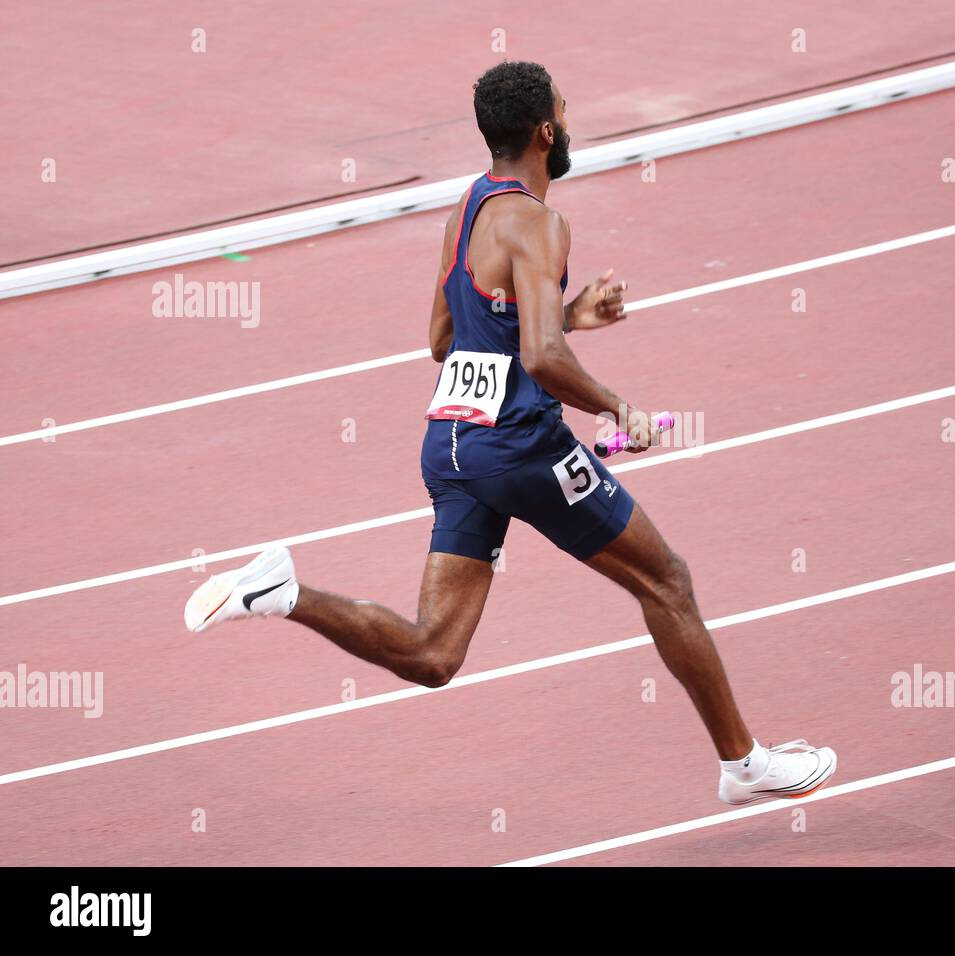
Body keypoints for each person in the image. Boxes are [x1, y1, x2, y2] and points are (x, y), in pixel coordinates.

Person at [184, 61, 835, 805]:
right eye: (566, 109)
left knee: (434, 653)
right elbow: (539, 356)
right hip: (522, 445)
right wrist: (617, 408)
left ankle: (282, 593)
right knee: (668, 580)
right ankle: (743, 765)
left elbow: (443, 338)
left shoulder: (470, 208)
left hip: (452, 445)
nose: (571, 120)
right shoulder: (540, 222)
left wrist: (570, 312)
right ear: (547, 132)